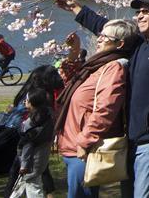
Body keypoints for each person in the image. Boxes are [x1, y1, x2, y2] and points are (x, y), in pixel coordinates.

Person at [57, 0, 149, 198]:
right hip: (130, 137)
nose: (139, 16)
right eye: (138, 12)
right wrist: (77, 9)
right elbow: (108, 30)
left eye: (146, 12)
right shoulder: (139, 43)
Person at [55, 22, 136, 198]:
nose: (99, 39)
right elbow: (68, 81)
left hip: (84, 149)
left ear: (119, 44)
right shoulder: (97, 64)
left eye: (105, 37)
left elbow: (106, 109)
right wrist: (75, 51)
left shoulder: (113, 67)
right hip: (72, 144)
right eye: (100, 35)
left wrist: (85, 140)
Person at [8, 88, 54, 198]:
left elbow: (28, 144)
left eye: (27, 100)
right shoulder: (48, 117)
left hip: (32, 161)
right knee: (22, 183)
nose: (25, 102)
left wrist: (24, 164)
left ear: (33, 103)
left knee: (33, 186)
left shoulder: (31, 124)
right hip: (42, 157)